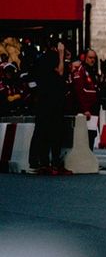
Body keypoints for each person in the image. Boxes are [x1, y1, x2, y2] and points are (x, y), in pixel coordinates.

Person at [29, 41, 70, 175]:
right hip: (53, 100)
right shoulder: (52, 57)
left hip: (44, 100)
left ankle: (40, 162)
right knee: (54, 132)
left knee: (42, 131)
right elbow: (60, 71)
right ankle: (54, 162)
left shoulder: (41, 59)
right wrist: (61, 54)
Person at [71, 49, 100, 149]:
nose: (92, 60)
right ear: (85, 58)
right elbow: (79, 91)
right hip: (86, 109)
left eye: (94, 58)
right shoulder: (80, 70)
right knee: (84, 135)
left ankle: (90, 157)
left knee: (92, 134)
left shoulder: (92, 72)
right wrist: (85, 109)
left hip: (94, 108)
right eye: (90, 58)